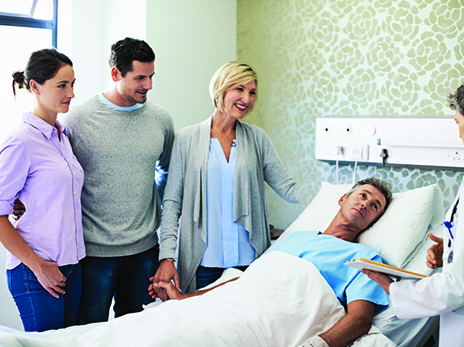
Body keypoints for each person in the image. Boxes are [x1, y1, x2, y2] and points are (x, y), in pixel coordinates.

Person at [364, 74, 464, 346]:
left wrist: (394, 289)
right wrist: (451, 251)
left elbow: (461, 286)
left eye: (458, 122)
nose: (459, 132)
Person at [151, 178, 393, 347]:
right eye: (363, 195)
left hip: (272, 319)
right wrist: (183, 299)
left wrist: (317, 345)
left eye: (375, 206)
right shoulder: (297, 236)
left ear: (374, 221)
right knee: (160, 331)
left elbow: (360, 319)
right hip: (238, 304)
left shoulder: (365, 257)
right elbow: (247, 280)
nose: (365, 204)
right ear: (342, 199)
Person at [153, 61, 298, 297]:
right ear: (221, 90)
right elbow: (171, 203)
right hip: (203, 263)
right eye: (239, 89)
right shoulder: (186, 139)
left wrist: (331, 201)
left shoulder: (257, 139)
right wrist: (167, 256)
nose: (247, 99)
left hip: (249, 260)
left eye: (252, 92)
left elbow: (288, 188)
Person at [61, 37, 175, 323]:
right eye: (140, 78)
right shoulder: (78, 120)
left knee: (140, 335)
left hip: (145, 252)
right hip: (93, 255)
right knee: (90, 335)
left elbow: (169, 172)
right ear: (116, 74)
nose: (148, 85)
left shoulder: (161, 120)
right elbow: (59, 178)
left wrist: (153, 210)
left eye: (151, 76)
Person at [0, 49, 84, 331]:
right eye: (62, 85)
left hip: (71, 267)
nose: (71, 93)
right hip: (36, 272)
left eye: (72, 84)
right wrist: (38, 266)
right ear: (34, 87)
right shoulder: (21, 141)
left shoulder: (62, 136)